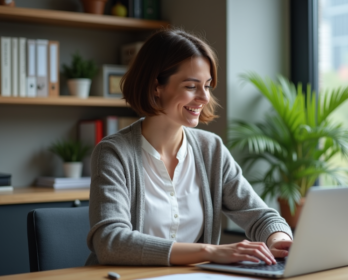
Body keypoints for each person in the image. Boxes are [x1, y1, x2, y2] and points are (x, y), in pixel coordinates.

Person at [85, 29, 293, 267]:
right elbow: (111, 242)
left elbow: (260, 215)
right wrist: (210, 251)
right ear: (156, 86)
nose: (204, 97)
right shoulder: (113, 153)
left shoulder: (210, 149)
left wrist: (279, 240)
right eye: (192, 86)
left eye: (207, 85)